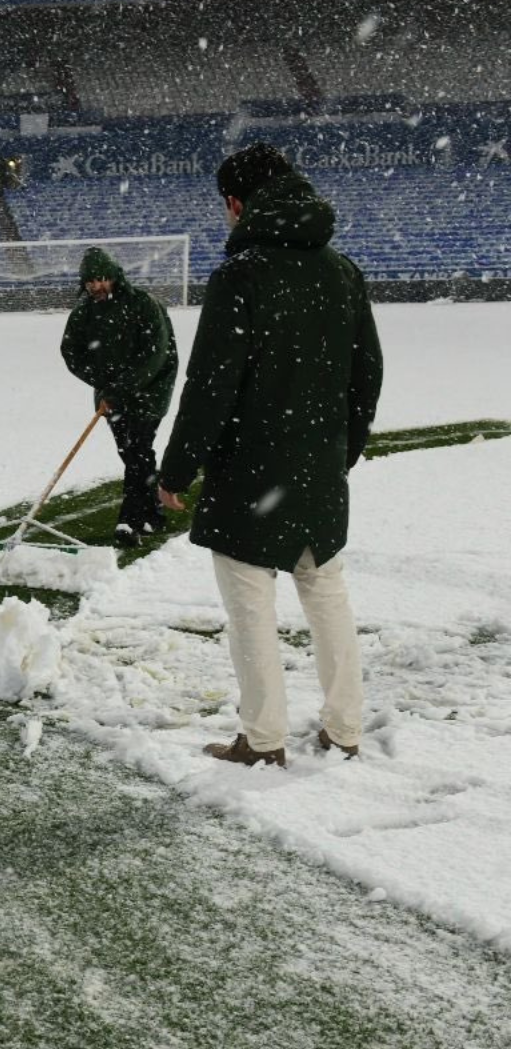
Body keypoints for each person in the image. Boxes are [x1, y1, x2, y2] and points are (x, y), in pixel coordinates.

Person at [156, 143, 383, 768]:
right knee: (326, 591)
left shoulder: (241, 276)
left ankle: (262, 741)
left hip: (251, 470)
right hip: (316, 467)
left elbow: (209, 387)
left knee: (251, 606)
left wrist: (175, 472)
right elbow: (368, 376)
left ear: (235, 203)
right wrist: (340, 450)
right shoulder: (342, 270)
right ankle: (344, 729)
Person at [59, 246, 179, 546]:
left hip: (150, 392)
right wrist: (102, 382)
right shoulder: (85, 311)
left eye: (101, 280)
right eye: (89, 282)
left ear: (114, 277)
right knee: (134, 453)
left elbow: (155, 357)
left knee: (137, 453)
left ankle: (130, 521)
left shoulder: (144, 305)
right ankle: (154, 514)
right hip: (111, 397)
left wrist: (121, 388)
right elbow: (71, 352)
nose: (95, 287)